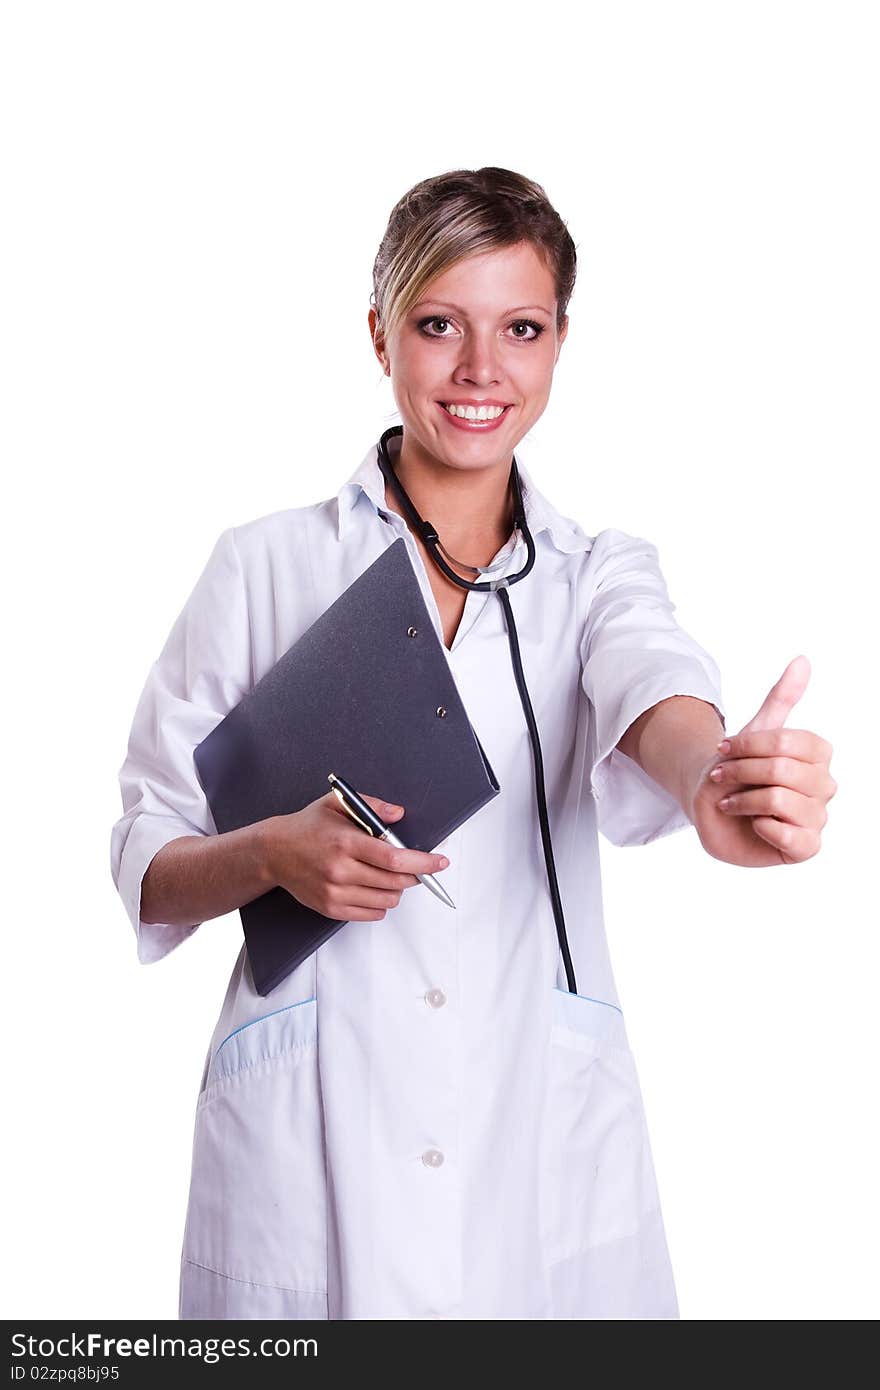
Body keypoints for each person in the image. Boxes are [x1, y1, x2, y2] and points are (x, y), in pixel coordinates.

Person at [110, 167, 835, 1321]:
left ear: (559, 345)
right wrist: (273, 857)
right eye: (439, 324)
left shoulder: (596, 571)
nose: (480, 370)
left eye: (522, 328)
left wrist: (712, 779)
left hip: (536, 1131)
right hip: (313, 1130)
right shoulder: (262, 567)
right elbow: (147, 861)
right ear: (379, 335)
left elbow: (650, 677)